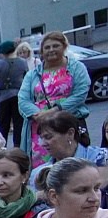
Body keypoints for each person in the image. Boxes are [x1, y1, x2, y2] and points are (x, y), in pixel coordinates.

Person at [20, 31, 92, 169]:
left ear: (64, 47)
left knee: (72, 166)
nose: (51, 50)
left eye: (55, 46)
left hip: (66, 125)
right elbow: (23, 100)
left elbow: (80, 94)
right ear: (41, 51)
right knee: (43, 169)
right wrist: (38, 115)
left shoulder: (77, 68)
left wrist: (53, 112)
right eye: (47, 47)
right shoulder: (32, 74)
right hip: (39, 128)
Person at [32, 110, 108, 187]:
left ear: (70, 133)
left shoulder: (102, 158)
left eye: (48, 137)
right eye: (41, 138)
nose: (42, 144)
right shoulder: (39, 173)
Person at [0, 40, 29, 148]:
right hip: (18, 96)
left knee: (3, 124)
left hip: (3, 97)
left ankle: (2, 146)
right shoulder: (23, 62)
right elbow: (27, 79)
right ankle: (18, 146)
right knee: (18, 123)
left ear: (3, 52)